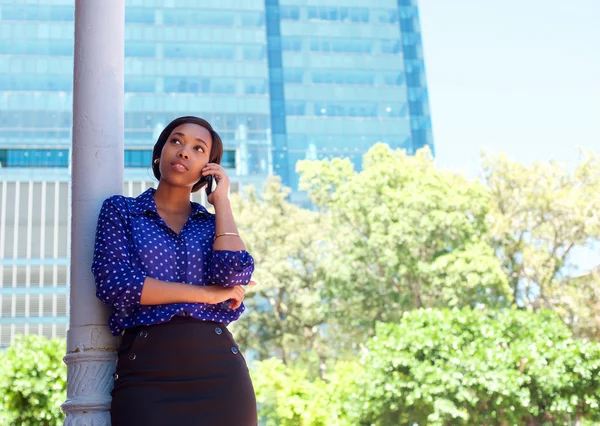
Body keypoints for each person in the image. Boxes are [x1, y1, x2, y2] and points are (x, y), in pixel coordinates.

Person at [91, 116, 258, 425]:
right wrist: (208, 295)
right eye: (176, 141)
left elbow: (233, 275)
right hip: (146, 374)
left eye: (198, 148)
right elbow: (115, 284)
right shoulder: (122, 211)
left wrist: (221, 202)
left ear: (208, 168)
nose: (184, 152)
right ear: (160, 153)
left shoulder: (212, 225)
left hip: (221, 375)